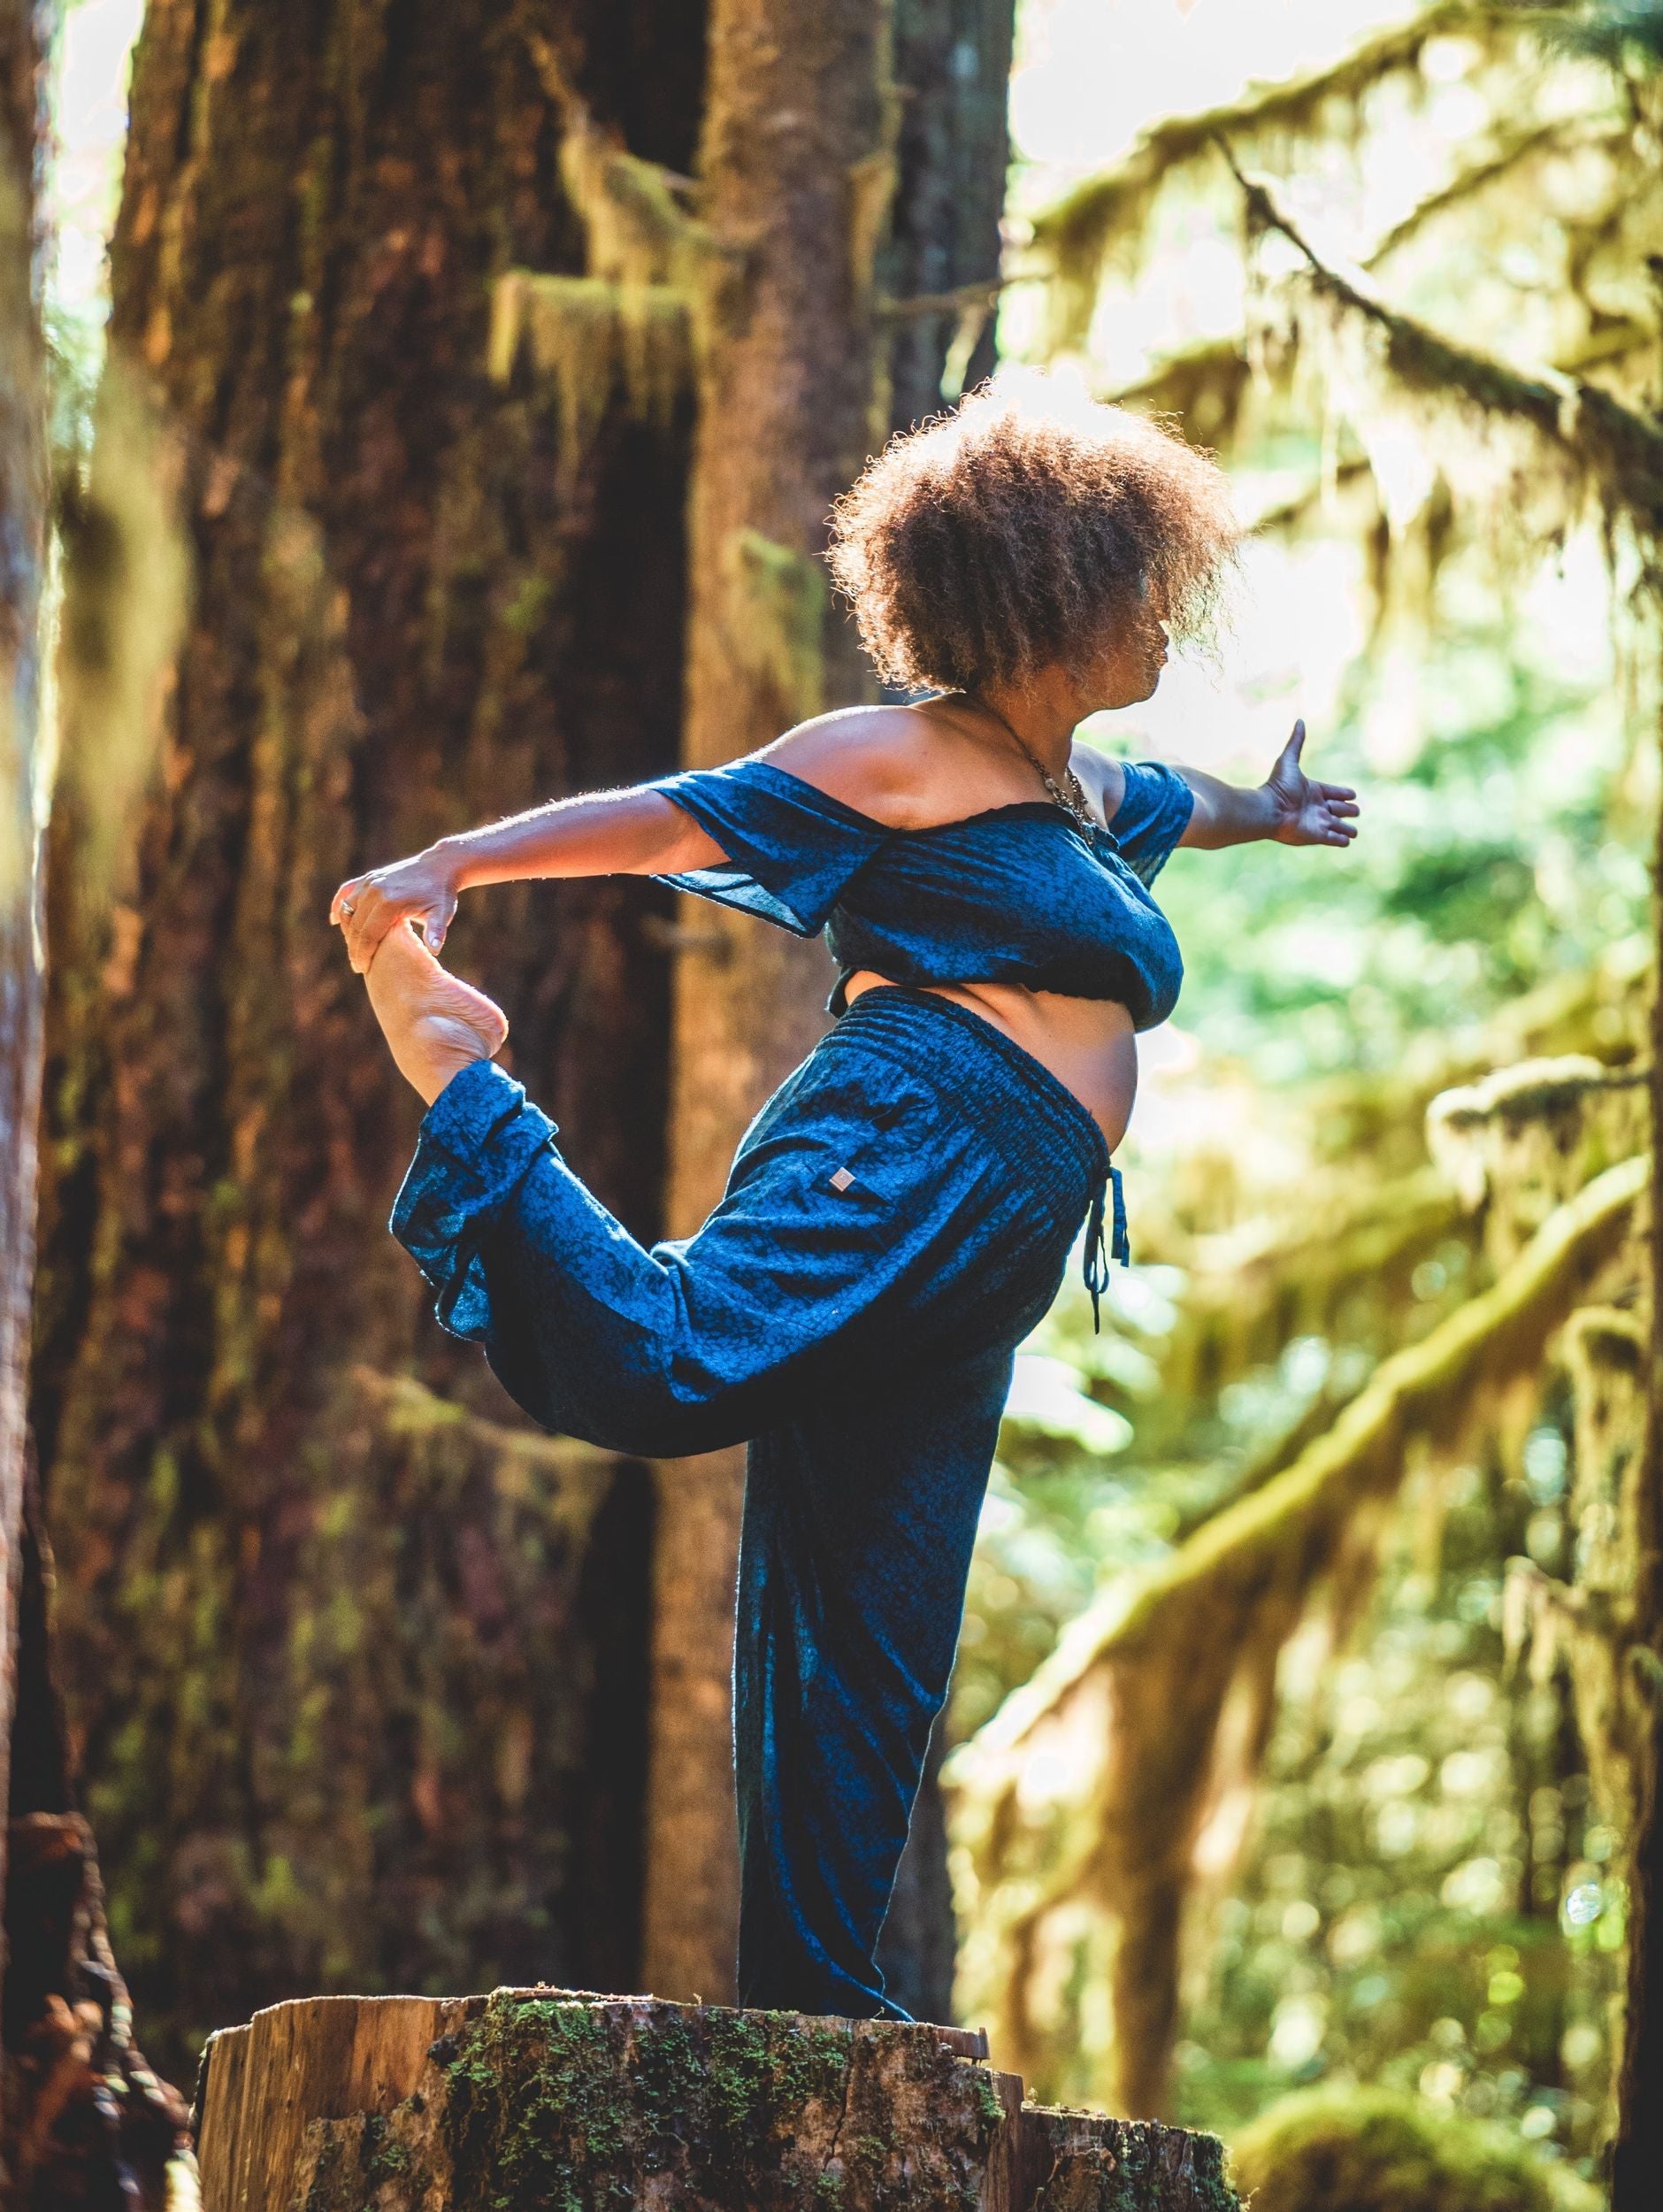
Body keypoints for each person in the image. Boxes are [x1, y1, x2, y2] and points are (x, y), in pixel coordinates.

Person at [329, 380, 1358, 2024]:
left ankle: (816, 2003)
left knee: (874, 1628)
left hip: (998, 1239)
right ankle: (460, 1079)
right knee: (675, 1359)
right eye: (1139, 581)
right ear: (1045, 593)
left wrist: (1275, 808)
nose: (1167, 611)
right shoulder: (901, 755)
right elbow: (681, 816)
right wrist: (452, 865)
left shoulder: (1093, 803)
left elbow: (1196, 802)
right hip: (904, 1142)